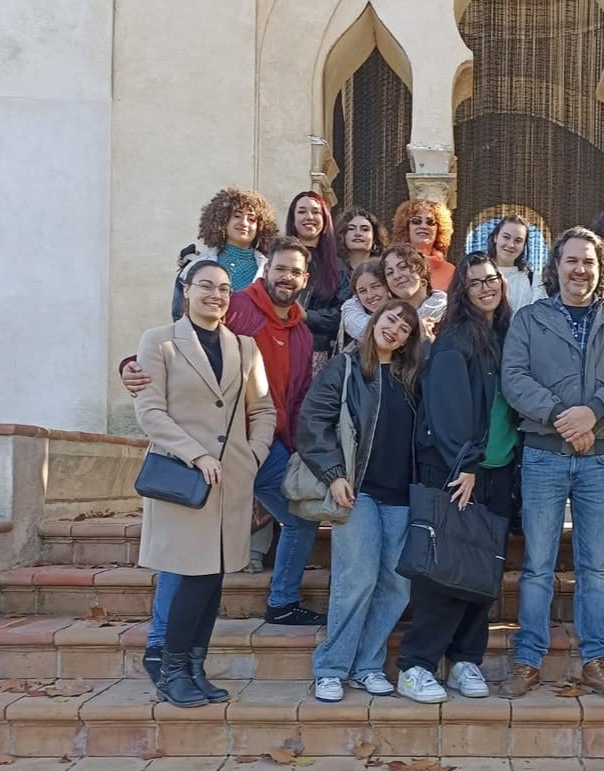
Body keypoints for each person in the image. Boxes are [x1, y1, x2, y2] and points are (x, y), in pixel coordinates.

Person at [123, 238, 327, 681]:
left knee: (280, 528)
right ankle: (161, 650)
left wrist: (253, 455)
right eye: (280, 268)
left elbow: (271, 403)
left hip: (250, 455)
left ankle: (266, 612)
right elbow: (157, 388)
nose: (286, 277)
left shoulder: (289, 335)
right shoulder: (212, 315)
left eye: (295, 271)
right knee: (184, 558)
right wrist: (130, 369)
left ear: (304, 280)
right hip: (185, 462)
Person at [500, 226, 604, 701]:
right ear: (556, 265)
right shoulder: (529, 319)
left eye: (588, 261)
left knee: (594, 567)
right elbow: (514, 378)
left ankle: (595, 659)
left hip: (601, 458)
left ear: (601, 269)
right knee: (539, 565)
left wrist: (596, 412)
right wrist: (563, 418)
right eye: (571, 260)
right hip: (544, 454)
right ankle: (527, 660)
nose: (580, 269)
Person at [133, 261, 277, 706]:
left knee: (213, 580)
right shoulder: (159, 341)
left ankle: (194, 667)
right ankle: (172, 669)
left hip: (230, 479)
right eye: (205, 286)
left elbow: (264, 409)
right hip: (184, 478)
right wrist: (193, 452)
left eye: (223, 288)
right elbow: (149, 411)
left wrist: (253, 455)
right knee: (192, 576)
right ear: (186, 289)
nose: (216, 295)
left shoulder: (246, 347)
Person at [396, 253, 519, 702]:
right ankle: (416, 665)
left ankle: (466, 659)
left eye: (492, 280)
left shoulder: (504, 334)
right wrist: (464, 465)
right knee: (444, 570)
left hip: (498, 468)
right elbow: (447, 409)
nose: (486, 288)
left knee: (481, 570)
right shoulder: (454, 339)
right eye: (475, 283)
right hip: (456, 469)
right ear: (461, 292)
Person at [298, 300, 425, 702]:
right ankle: (332, 668)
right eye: (391, 319)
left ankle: (367, 665)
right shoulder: (346, 367)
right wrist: (333, 475)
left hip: (402, 496)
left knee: (397, 586)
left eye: (405, 328)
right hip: (359, 492)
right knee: (357, 581)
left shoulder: (413, 376)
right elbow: (313, 420)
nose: (395, 330)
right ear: (374, 321)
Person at [170, 187, 278, 321]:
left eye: (251, 219)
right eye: (237, 216)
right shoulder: (195, 265)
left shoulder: (269, 269)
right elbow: (179, 314)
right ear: (222, 220)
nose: (244, 223)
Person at [285, 191, 347, 375]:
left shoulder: (337, 266)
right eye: (302, 211)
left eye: (316, 212)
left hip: (319, 353)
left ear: (325, 218)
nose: (309, 217)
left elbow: (342, 313)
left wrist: (307, 316)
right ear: (293, 218)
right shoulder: (278, 258)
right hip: (280, 345)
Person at [340, 245, 447, 341]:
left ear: (420, 269)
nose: (396, 276)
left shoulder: (448, 311)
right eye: (390, 272)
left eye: (403, 267)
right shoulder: (388, 317)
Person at [391, 199, 455, 292]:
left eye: (430, 222)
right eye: (416, 221)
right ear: (406, 227)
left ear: (439, 228)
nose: (424, 226)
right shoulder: (393, 263)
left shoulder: (450, 271)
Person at [487, 213, 542, 313]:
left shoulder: (533, 281)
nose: (511, 245)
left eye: (518, 241)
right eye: (506, 237)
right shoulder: (477, 275)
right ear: (495, 237)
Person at [338, 261, 389, 348]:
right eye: (362, 291)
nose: (370, 295)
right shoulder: (352, 309)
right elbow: (363, 330)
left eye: (375, 286)